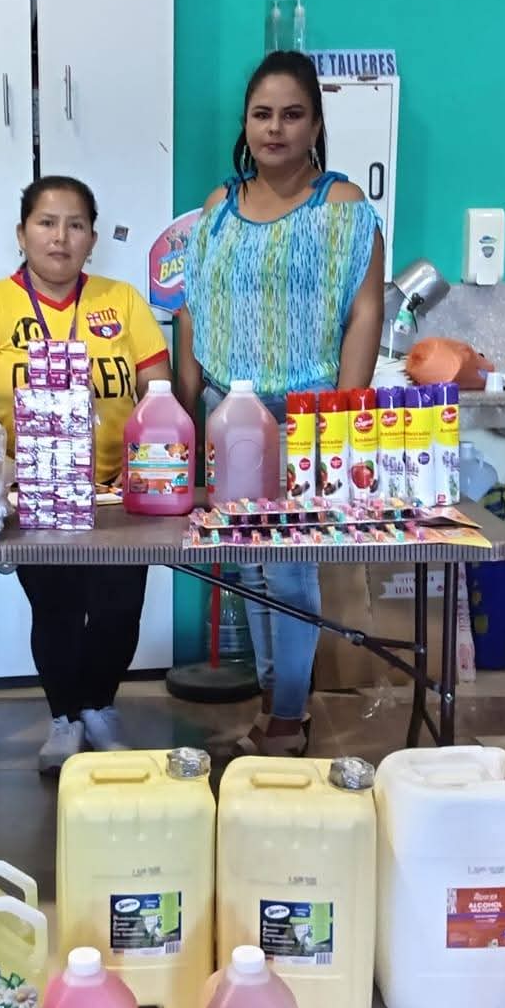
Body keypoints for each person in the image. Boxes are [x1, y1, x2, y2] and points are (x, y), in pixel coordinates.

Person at [177, 50, 384, 757]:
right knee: (248, 565)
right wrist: (188, 406)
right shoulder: (217, 210)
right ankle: (273, 705)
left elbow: (364, 313)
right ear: (245, 124)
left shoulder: (342, 207)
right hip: (225, 410)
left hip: (304, 415)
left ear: (315, 125)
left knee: (291, 567)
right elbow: (194, 312)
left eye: (292, 115)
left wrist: (344, 415)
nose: (275, 128)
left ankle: (290, 718)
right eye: (262, 114)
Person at [0, 176, 171, 771]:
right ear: (22, 234)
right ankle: (66, 717)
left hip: (118, 494)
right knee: (58, 607)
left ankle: (100, 705)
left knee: (120, 607)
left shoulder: (122, 301)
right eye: (46, 223)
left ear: (92, 238)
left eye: (75, 225)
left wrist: (150, 469)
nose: (60, 237)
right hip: (34, 494)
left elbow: (158, 390)